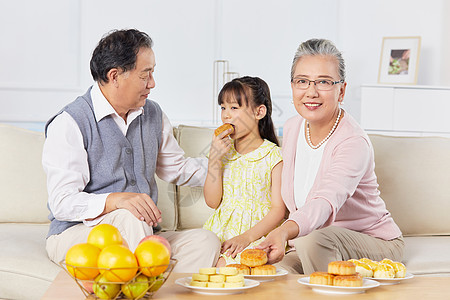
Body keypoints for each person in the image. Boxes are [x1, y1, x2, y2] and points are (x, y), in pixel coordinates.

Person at [42, 29, 220, 272]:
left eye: (152, 73)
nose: (152, 84)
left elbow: (176, 167)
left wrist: (227, 166)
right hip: (79, 236)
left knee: (206, 242)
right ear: (115, 76)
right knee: (130, 217)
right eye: (145, 74)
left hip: (139, 234)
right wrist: (116, 201)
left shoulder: (152, 113)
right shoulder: (70, 122)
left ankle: (149, 282)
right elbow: (62, 202)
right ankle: (146, 280)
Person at [257, 39, 404, 274]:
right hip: (307, 242)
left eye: (323, 82)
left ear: (341, 90)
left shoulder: (353, 141)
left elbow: (325, 200)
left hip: (371, 241)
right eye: (302, 81)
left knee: (312, 241)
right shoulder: (293, 127)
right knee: (270, 274)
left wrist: (285, 231)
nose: (311, 92)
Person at [203, 76, 286, 267]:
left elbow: (278, 210)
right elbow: (212, 202)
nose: (226, 115)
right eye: (223, 108)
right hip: (221, 229)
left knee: (225, 267)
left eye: (234, 108)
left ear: (259, 112)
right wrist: (214, 160)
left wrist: (246, 238)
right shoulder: (224, 152)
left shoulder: (273, 155)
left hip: (256, 232)